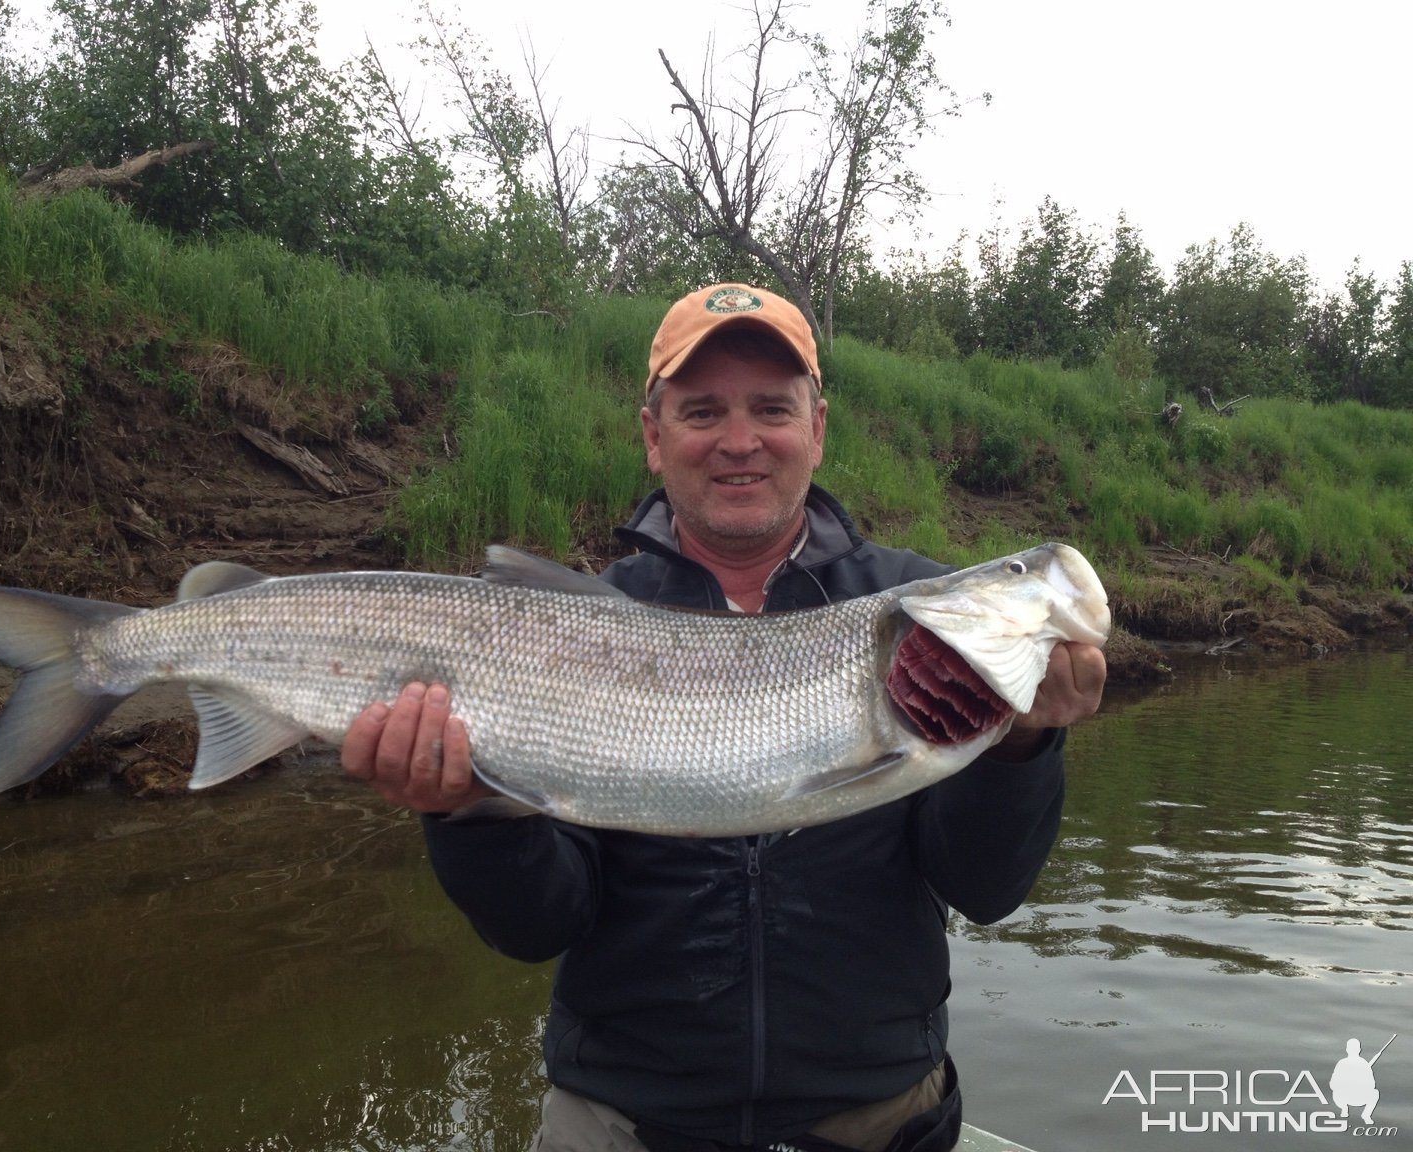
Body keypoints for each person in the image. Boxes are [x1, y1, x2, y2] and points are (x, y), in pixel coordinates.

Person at [341, 283, 1106, 1152]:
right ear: (653, 436)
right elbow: (537, 927)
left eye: (771, 408)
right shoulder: (574, 626)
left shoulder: (912, 626)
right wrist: (465, 812)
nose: (740, 441)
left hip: (879, 1120)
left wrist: (1024, 747)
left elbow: (984, 888)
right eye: (702, 410)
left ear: (817, 427)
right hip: (623, 1121)